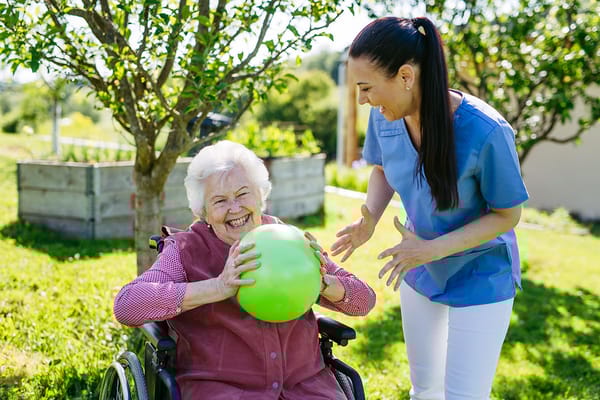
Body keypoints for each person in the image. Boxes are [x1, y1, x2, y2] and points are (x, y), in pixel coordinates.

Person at [330, 17, 529, 400]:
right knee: (425, 390)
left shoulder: (487, 130)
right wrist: (369, 218)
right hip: (420, 270)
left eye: (367, 88)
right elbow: (384, 168)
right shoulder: (385, 117)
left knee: (464, 396)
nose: (362, 100)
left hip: (481, 273)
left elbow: (507, 215)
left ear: (405, 76)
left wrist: (430, 248)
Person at [113, 140, 376, 400]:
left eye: (242, 194)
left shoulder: (289, 241)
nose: (235, 208)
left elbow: (365, 301)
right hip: (222, 390)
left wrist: (321, 283)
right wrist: (217, 287)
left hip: (307, 388)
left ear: (260, 194)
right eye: (219, 201)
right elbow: (127, 305)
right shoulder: (185, 251)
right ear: (202, 211)